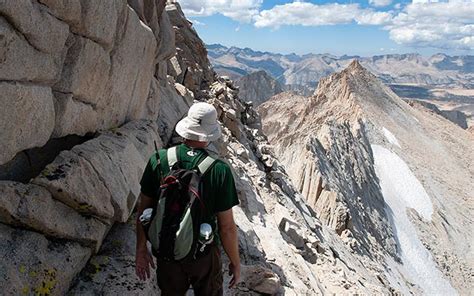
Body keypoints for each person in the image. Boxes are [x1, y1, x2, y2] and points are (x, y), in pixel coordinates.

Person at [135, 102, 240, 295]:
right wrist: (235, 262)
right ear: (209, 134)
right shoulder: (219, 170)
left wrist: (141, 249)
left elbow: (143, 211)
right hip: (204, 254)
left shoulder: (158, 160)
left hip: (167, 249)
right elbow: (227, 228)